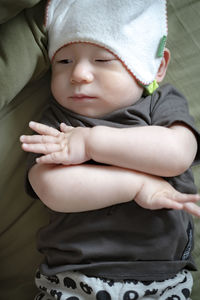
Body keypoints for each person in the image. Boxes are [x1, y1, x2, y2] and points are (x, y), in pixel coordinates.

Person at [20, 0, 200, 299]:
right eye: (63, 62)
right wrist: (137, 186)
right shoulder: (59, 121)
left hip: (161, 277)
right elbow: (49, 187)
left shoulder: (159, 105)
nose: (79, 74)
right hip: (73, 275)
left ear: (156, 67)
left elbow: (177, 154)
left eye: (102, 60)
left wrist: (91, 143)